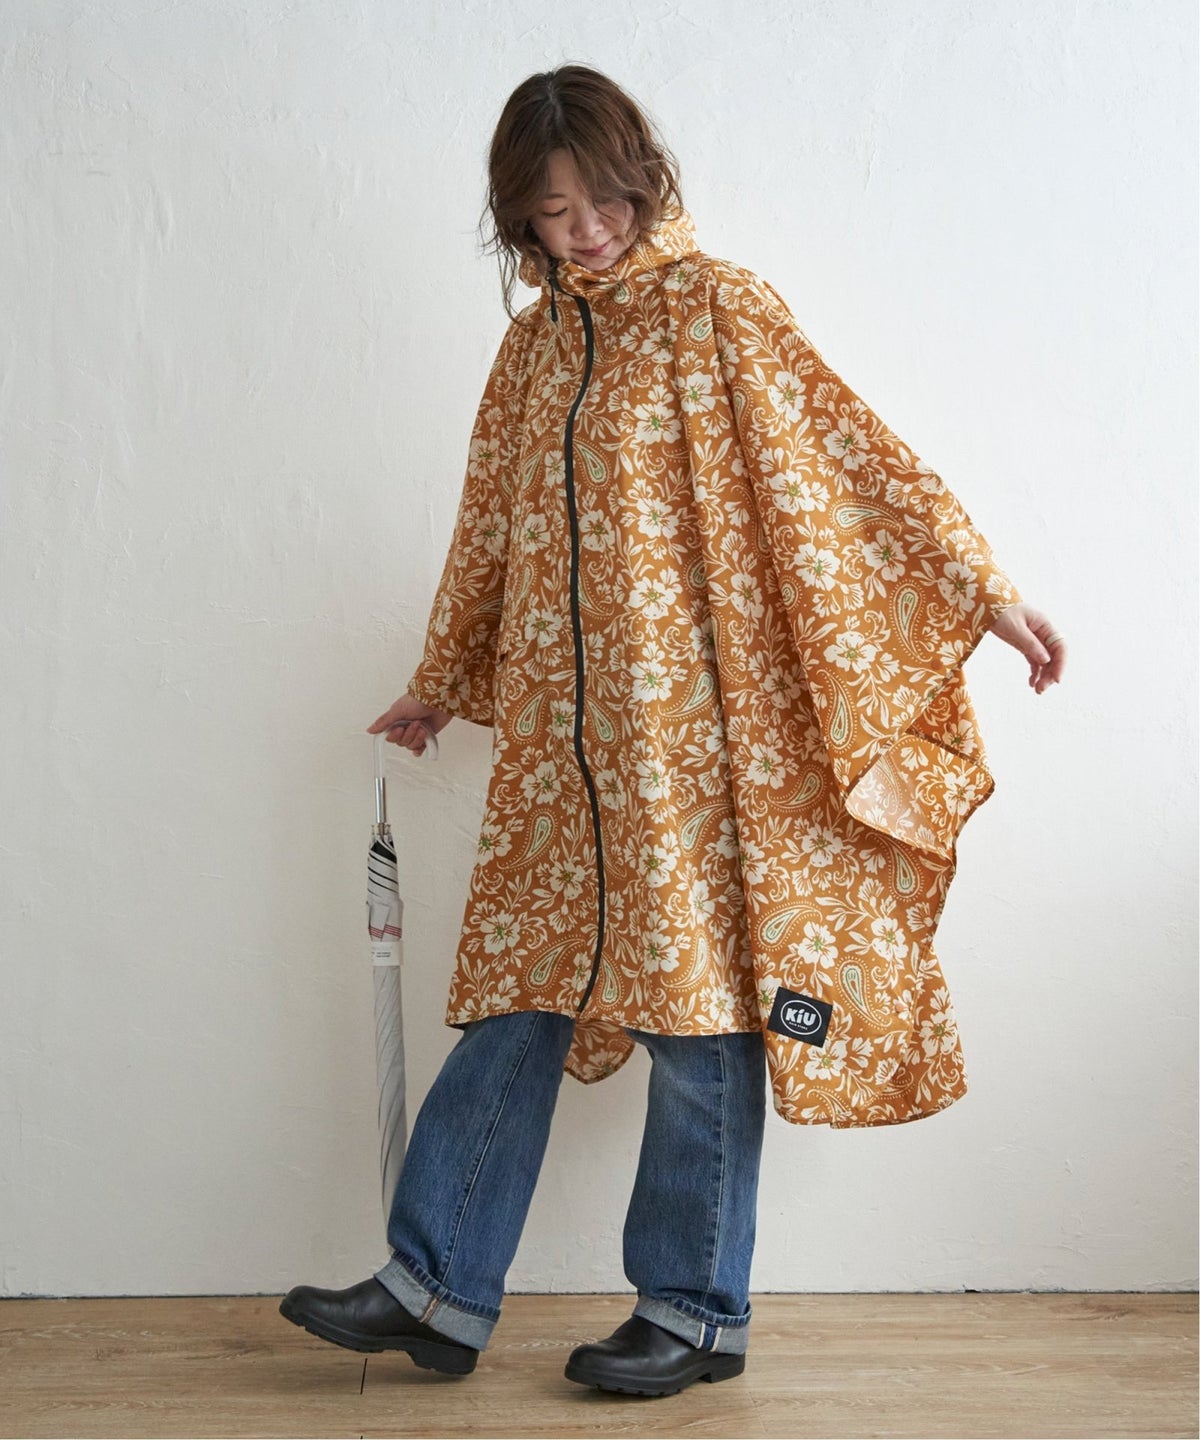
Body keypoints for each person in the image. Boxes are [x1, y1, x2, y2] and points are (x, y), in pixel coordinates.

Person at [280, 64, 1067, 1397]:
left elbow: (850, 461)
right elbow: (489, 529)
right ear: (518, 221)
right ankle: (435, 1288)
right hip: (555, 756)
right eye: (551, 212)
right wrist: (443, 677)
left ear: (641, 181)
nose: (584, 231)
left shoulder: (719, 309)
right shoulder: (531, 352)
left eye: (600, 200)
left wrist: (983, 591)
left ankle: (696, 1311)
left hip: (689, 754)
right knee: (516, 998)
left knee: (698, 1021)